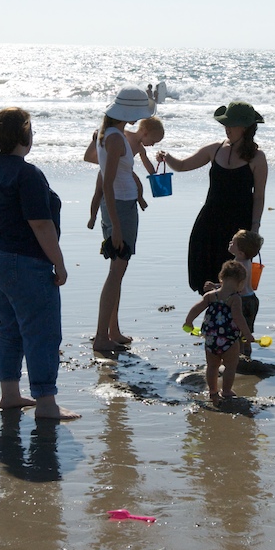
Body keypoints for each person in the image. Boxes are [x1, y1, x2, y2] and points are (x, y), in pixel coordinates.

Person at [0, 107, 79, 420]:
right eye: (31, 130)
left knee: (10, 327)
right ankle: (46, 403)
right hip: (24, 260)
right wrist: (59, 263)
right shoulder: (27, 173)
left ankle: (9, 394)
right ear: (23, 135)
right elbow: (41, 224)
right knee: (42, 330)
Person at [157, 101, 268, 293]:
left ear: (245, 127)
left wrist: (255, 227)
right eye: (225, 124)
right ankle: (213, 321)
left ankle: (232, 321)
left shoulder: (257, 158)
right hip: (210, 221)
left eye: (231, 124)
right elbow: (183, 165)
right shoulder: (214, 149)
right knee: (205, 275)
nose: (227, 129)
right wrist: (167, 157)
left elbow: (258, 196)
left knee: (234, 282)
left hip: (238, 227)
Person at [92, 86, 156, 352]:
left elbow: (104, 170)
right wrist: (116, 226)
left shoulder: (108, 134)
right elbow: (107, 183)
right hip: (119, 207)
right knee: (116, 272)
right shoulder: (116, 138)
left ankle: (113, 330)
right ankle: (101, 336)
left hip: (121, 205)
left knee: (117, 272)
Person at [184, 260, 253, 403]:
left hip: (211, 338)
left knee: (212, 366)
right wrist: (247, 334)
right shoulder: (234, 299)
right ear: (240, 284)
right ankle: (226, 391)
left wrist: (189, 321)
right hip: (229, 339)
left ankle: (213, 390)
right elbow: (238, 317)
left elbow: (196, 308)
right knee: (230, 366)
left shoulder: (211, 295)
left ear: (221, 278)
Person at [84, 116, 164, 230]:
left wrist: (157, 169)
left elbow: (148, 167)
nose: (153, 145)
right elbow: (108, 134)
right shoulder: (123, 135)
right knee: (98, 193)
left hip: (124, 172)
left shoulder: (140, 148)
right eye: (153, 141)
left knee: (138, 183)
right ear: (145, 133)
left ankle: (139, 199)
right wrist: (98, 134)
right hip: (108, 169)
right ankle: (92, 217)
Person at [203, 230, 263, 358]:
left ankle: (239, 358)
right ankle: (248, 357)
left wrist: (215, 287)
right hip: (252, 299)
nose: (230, 243)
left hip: (241, 301)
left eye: (233, 242)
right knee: (247, 331)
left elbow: (233, 287)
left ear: (240, 252)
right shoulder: (248, 261)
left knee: (238, 332)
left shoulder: (237, 266)